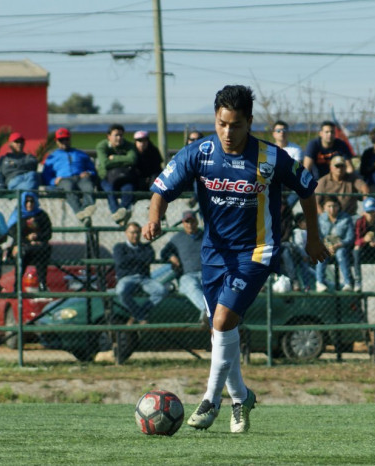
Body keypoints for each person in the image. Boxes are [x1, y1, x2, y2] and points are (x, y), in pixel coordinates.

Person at [143, 84, 329, 434]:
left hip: (257, 251)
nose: (228, 132)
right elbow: (160, 189)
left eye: (236, 125)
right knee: (220, 328)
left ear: (250, 122)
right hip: (214, 254)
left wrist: (314, 238)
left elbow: (307, 189)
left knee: (223, 319)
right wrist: (154, 217)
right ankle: (241, 399)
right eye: (222, 123)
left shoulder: (271, 158)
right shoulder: (199, 153)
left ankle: (211, 401)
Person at [114, 222, 169, 325]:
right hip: (127, 278)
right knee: (121, 291)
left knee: (161, 291)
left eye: (138, 232)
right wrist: (139, 259)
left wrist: (130, 259)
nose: (135, 235)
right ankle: (140, 316)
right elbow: (120, 261)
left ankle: (137, 314)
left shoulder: (146, 247)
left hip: (144, 278)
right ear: (126, 233)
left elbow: (149, 258)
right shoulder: (119, 247)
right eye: (132, 232)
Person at [41, 128, 98, 225]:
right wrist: (54, 181)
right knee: (68, 187)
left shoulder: (80, 153)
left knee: (88, 186)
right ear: (57, 142)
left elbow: (92, 169)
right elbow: (46, 175)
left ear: (69, 139)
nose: (64, 142)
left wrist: (89, 173)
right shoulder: (52, 157)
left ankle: (87, 209)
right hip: (64, 179)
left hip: (80, 177)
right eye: (61, 140)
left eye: (66, 139)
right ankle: (81, 214)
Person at [159, 211, 206, 322]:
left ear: (197, 222)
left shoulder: (206, 236)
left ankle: (206, 315)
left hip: (206, 274)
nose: (190, 225)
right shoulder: (177, 239)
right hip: (187, 275)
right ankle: (207, 310)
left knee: (216, 287)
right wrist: (171, 256)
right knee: (191, 286)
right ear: (183, 223)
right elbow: (163, 252)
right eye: (187, 222)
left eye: (192, 221)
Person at [6, 191, 52, 291]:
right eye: (26, 202)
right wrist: (27, 239)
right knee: (21, 254)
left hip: (38, 247)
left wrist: (37, 237)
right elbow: (13, 232)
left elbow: (48, 233)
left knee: (42, 252)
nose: (29, 204)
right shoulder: (17, 215)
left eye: (31, 201)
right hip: (22, 246)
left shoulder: (41, 215)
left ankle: (42, 284)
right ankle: (17, 285)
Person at [96, 124, 140, 225]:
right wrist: (124, 160)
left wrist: (114, 158)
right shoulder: (102, 146)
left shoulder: (129, 146)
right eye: (116, 135)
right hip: (106, 178)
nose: (119, 138)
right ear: (109, 136)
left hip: (125, 178)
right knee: (109, 190)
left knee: (128, 190)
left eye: (121, 135)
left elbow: (132, 160)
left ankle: (120, 213)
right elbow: (105, 163)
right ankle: (117, 214)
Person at [316, 195, 355, 292]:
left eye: (334, 206)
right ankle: (320, 282)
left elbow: (350, 237)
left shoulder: (346, 218)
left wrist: (339, 244)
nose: (332, 209)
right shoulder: (320, 219)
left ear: (339, 206)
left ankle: (347, 283)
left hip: (341, 246)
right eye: (329, 206)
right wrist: (326, 246)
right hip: (325, 246)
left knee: (341, 254)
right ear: (324, 207)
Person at [272, 120, 304, 209]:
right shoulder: (270, 149)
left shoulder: (296, 149)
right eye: (278, 130)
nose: (282, 133)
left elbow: (296, 168)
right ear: (273, 134)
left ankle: (287, 207)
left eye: (284, 130)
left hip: (290, 183)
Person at [280, 212, 314, 292]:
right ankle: (305, 285)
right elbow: (299, 245)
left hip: (305, 255)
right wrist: (304, 255)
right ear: (299, 223)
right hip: (298, 255)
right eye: (306, 222)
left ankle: (306, 285)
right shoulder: (298, 232)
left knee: (306, 269)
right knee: (304, 267)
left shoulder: (309, 232)